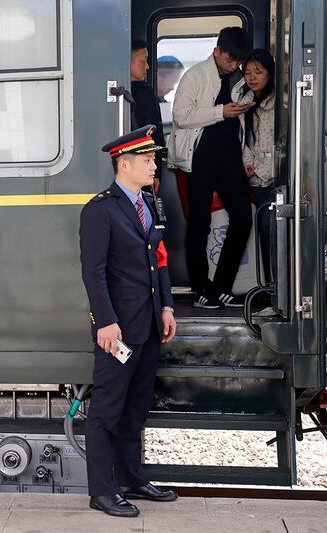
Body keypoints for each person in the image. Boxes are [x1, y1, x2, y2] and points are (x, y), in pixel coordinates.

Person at [79, 125, 177, 518]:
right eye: (148, 159)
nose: (155, 165)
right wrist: (105, 322)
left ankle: (131, 478)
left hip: (149, 325)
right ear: (125, 164)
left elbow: (160, 260)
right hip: (117, 329)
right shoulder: (100, 210)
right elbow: (94, 272)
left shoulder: (147, 204)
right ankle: (102, 491)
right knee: (106, 410)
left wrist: (167, 307)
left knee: (136, 410)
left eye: (154, 158)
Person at [168, 26, 253, 309]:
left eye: (238, 61)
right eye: (230, 59)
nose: (234, 65)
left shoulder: (239, 76)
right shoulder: (195, 75)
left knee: (243, 216)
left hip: (230, 156)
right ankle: (201, 289)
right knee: (199, 223)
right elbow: (181, 115)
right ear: (216, 51)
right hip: (200, 156)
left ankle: (222, 286)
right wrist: (222, 112)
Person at [233, 49, 276, 288]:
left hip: (274, 177)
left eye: (258, 72)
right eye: (248, 72)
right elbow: (245, 139)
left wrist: (261, 168)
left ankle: (277, 289)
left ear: (270, 74)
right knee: (262, 230)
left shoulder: (280, 103)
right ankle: (268, 286)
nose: (252, 77)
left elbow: (277, 145)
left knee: (273, 231)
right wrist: (247, 163)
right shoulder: (244, 101)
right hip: (255, 179)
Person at [130, 39, 165, 192]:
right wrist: (155, 173)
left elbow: (155, 135)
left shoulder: (146, 93)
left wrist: (155, 173)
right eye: (142, 61)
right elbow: (155, 134)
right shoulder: (146, 94)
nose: (147, 66)